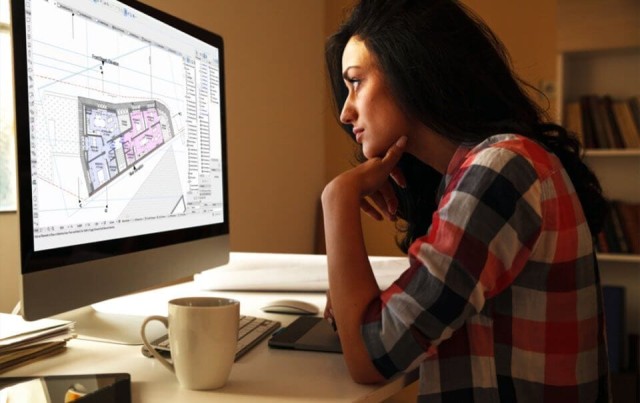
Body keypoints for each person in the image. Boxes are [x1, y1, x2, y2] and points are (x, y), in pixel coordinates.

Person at [321, 0, 611, 401]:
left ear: (412, 70)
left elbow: (372, 355)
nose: (344, 112)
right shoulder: (488, 167)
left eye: (356, 82)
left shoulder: (499, 170)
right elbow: (370, 326)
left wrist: (337, 197)